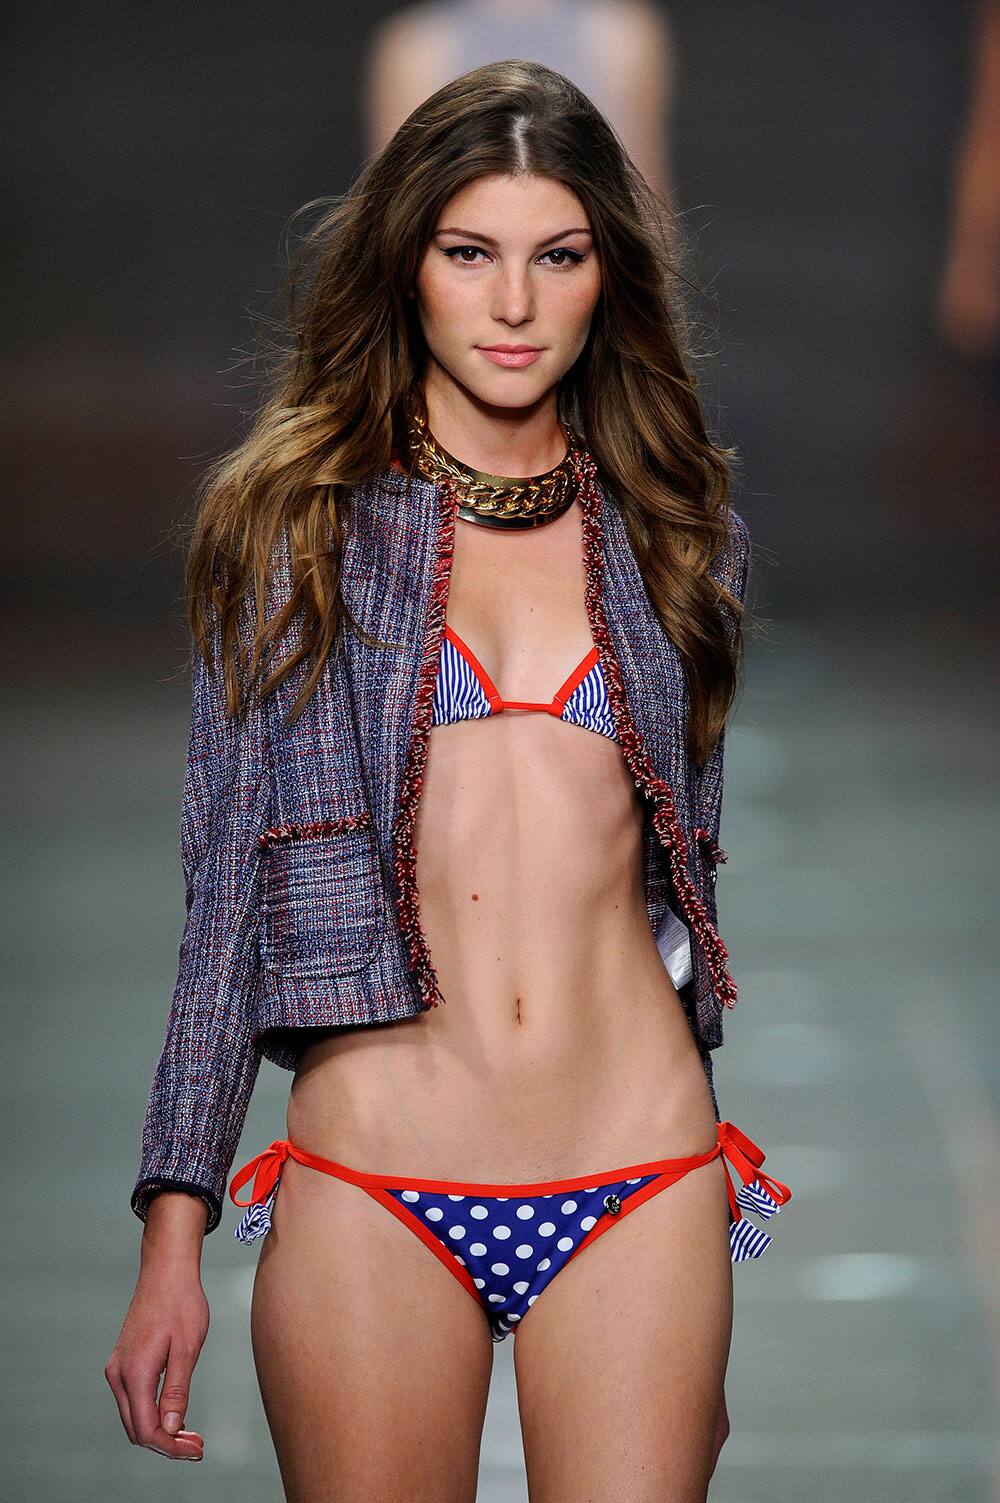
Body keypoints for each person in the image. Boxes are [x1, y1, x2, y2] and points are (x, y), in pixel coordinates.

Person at [105, 59, 792, 1502]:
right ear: (406, 264)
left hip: (642, 1171)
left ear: (608, 270)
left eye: (559, 255)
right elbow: (225, 892)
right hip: (373, 1180)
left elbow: (678, 890)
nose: (516, 305)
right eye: (469, 253)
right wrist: (173, 1231)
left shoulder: (677, 535)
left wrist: (695, 1327)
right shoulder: (293, 534)